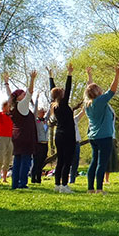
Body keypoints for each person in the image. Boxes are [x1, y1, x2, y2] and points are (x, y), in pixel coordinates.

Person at [84, 64, 119, 194]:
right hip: (104, 137)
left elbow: (89, 90)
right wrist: (117, 74)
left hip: (93, 137)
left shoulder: (88, 104)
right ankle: (99, 189)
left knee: (94, 162)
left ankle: (90, 189)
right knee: (102, 163)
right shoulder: (100, 101)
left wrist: (89, 77)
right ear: (98, 93)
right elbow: (112, 90)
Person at [3, 70, 38, 190]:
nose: (24, 96)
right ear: (18, 98)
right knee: (25, 161)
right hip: (25, 136)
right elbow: (30, 93)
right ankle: (22, 184)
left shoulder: (13, 106)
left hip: (16, 136)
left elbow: (10, 95)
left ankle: (14, 184)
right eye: (22, 94)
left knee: (17, 160)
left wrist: (6, 84)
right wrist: (32, 79)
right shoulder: (22, 106)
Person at [48, 65, 77, 193]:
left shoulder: (54, 105)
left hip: (58, 135)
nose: (65, 92)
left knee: (60, 160)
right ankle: (64, 185)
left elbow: (53, 90)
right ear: (61, 95)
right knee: (67, 161)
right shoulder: (63, 105)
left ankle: (57, 185)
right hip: (68, 135)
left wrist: (51, 77)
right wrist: (69, 74)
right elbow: (68, 88)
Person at [0, 87, 14, 184]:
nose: (9, 107)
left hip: (10, 138)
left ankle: (4, 178)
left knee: (8, 158)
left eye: (9, 106)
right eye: (7, 106)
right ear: (4, 107)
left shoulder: (11, 116)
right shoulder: (0, 115)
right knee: (0, 157)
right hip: (1, 138)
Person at [30, 107, 49, 184]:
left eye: (43, 112)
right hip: (38, 144)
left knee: (41, 162)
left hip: (45, 143)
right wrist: (37, 99)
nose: (43, 113)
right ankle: (33, 178)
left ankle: (39, 178)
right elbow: (34, 113)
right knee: (36, 162)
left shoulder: (45, 121)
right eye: (41, 112)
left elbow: (49, 113)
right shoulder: (36, 121)